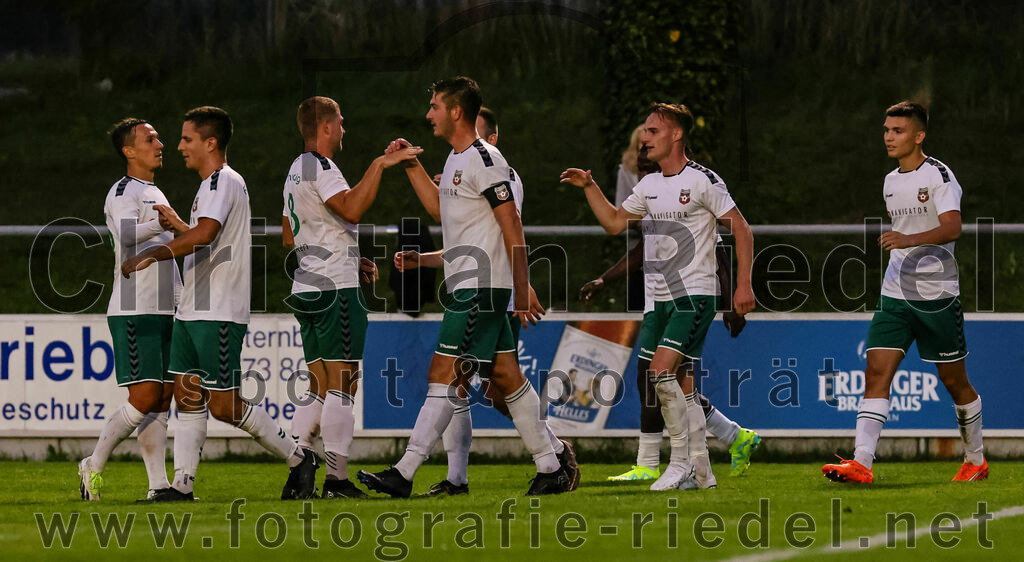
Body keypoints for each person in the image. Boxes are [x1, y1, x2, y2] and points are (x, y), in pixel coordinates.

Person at [358, 76, 574, 497]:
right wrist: (410, 164)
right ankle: (552, 465)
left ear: (456, 111)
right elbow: (443, 212)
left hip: (480, 288)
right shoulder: (459, 159)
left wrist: (522, 286)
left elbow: (511, 223)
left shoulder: (485, 159)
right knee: (507, 377)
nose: (428, 114)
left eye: (435, 105)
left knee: (444, 376)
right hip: (474, 286)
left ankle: (404, 472)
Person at [121, 106, 318, 501]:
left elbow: (207, 235)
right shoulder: (210, 184)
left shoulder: (222, 181)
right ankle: (183, 485)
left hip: (219, 311)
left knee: (226, 405)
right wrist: (179, 226)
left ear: (211, 142)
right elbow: (203, 233)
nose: (178, 147)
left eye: (187, 139)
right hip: (193, 308)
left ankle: (300, 458)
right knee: (187, 395)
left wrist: (151, 255)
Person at [561, 102, 755, 491]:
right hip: (659, 303)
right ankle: (703, 473)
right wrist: (590, 188)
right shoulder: (648, 185)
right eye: (645, 131)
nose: (644, 137)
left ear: (676, 135)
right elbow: (615, 223)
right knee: (680, 384)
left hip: (693, 297)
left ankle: (679, 463)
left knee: (659, 373)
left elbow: (743, 231)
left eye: (652, 130)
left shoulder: (703, 180)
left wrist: (742, 285)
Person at [822, 101, 985, 483]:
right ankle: (862, 463)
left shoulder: (939, 175)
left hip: (937, 297)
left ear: (918, 135)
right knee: (876, 370)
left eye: (897, 131)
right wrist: (904, 246)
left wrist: (908, 239)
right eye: (886, 130)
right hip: (895, 294)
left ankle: (975, 459)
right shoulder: (890, 181)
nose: (889, 137)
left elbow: (953, 227)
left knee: (954, 382)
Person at [282, 96, 421, 499]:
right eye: (340, 121)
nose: (344, 128)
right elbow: (353, 208)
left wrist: (351, 254)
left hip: (305, 287)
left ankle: (298, 472)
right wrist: (380, 164)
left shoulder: (295, 169)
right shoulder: (322, 166)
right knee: (343, 386)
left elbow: (292, 234)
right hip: (333, 289)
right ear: (325, 127)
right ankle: (337, 480)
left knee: (318, 388)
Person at [78, 118, 183, 501]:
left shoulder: (156, 191)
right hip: (133, 307)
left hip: (164, 309)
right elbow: (124, 233)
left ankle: (158, 485)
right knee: (144, 396)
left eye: (157, 137)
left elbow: (170, 251)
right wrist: (161, 222)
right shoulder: (124, 190)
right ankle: (94, 462)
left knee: (162, 397)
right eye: (149, 139)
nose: (160, 143)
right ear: (129, 151)